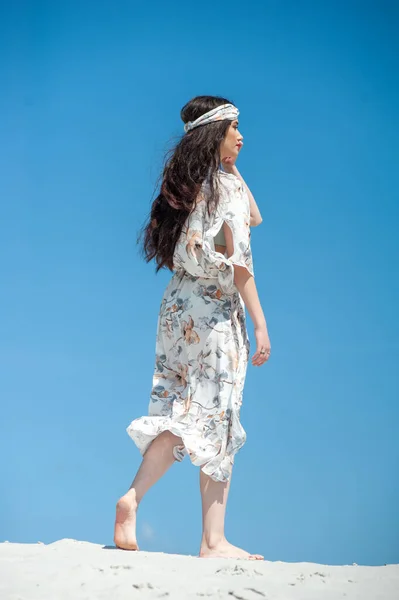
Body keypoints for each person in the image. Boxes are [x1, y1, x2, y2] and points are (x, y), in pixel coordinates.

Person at [114, 96, 271, 560]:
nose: (242, 136)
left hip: (178, 308)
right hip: (217, 311)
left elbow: (255, 217)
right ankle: (213, 540)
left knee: (181, 413)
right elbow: (241, 263)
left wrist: (226, 165)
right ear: (215, 131)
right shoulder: (226, 189)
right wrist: (261, 325)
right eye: (234, 127)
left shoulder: (187, 185)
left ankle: (132, 498)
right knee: (218, 417)